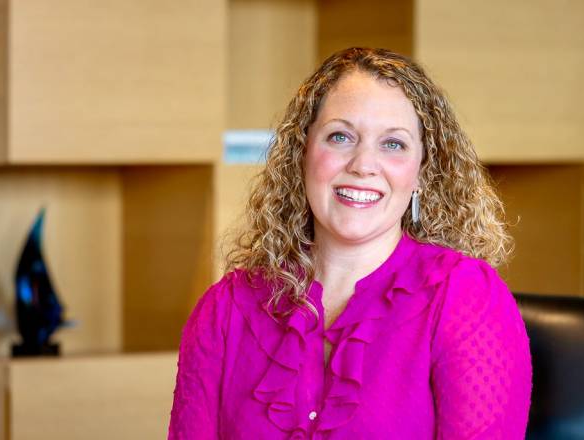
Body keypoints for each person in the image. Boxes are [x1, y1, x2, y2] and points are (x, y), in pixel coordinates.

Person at [169, 47, 531, 439]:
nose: (362, 164)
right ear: (302, 154)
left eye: (393, 144)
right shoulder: (224, 310)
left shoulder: (464, 297)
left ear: (423, 172)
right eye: (340, 137)